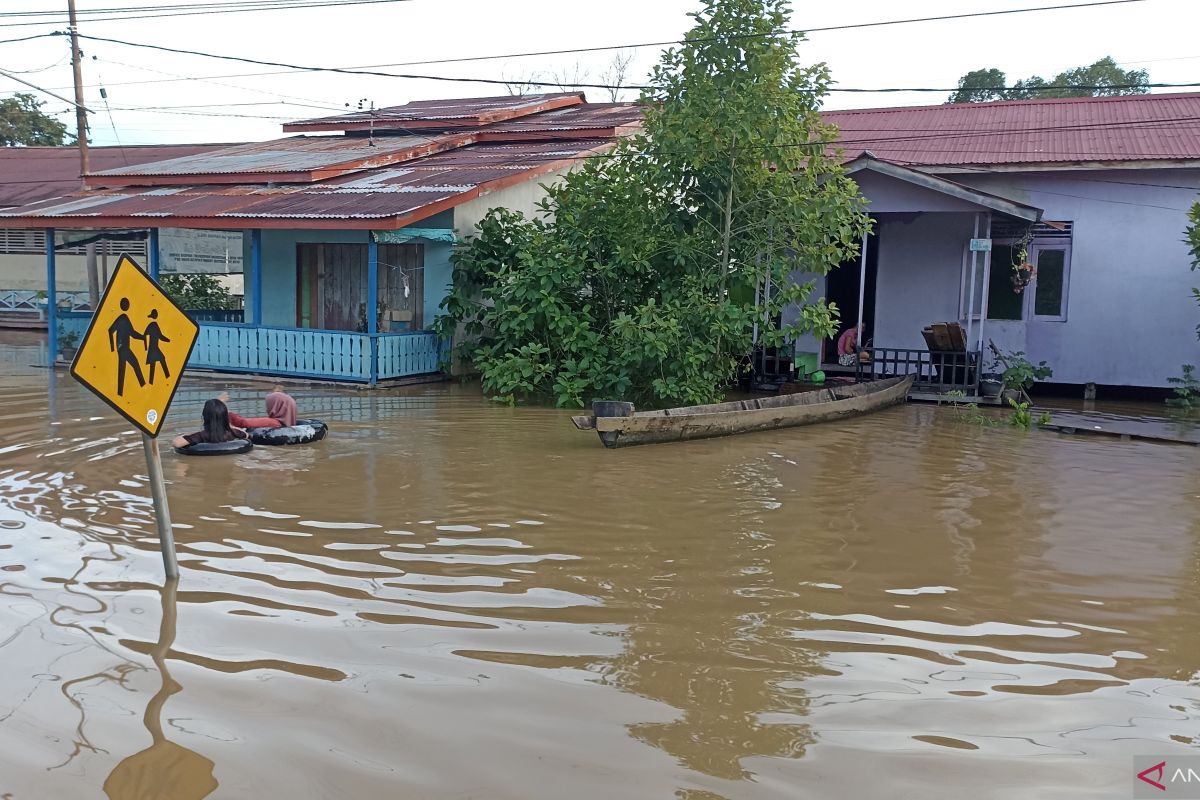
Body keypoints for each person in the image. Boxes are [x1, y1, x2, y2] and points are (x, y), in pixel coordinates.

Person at [173, 399, 248, 449]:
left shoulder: (201, 435)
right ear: (225, 417)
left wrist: (188, 434)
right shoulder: (233, 433)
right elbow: (246, 435)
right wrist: (231, 427)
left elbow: (176, 443)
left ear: (205, 417)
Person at [219, 385, 298, 429]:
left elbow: (243, 422)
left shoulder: (273, 423)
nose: (267, 408)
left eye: (269, 405)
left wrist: (220, 405)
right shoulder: (290, 424)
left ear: (276, 407)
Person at [144, 308, 171, 383]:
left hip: (152, 348)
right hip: (154, 348)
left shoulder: (151, 325)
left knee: (153, 365)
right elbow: (160, 336)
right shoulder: (154, 325)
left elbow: (144, 335)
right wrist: (168, 340)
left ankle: (151, 381)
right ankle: (167, 376)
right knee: (161, 359)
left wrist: (146, 347)